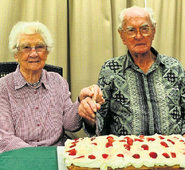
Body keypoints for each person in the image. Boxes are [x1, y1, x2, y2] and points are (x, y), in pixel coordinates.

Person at [78, 6, 185, 137]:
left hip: (172, 152)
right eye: (131, 30)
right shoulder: (111, 69)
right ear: (122, 36)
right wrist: (90, 116)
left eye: (144, 29)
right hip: (126, 153)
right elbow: (100, 120)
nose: (138, 36)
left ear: (153, 31)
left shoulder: (174, 67)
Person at [0, 21, 104, 153]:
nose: (34, 53)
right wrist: (41, 157)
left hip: (57, 154)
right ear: (16, 54)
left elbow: (70, 125)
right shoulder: (3, 87)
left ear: (47, 53)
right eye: (26, 47)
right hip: (20, 157)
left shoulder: (57, 81)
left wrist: (80, 101)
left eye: (39, 47)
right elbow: (6, 139)